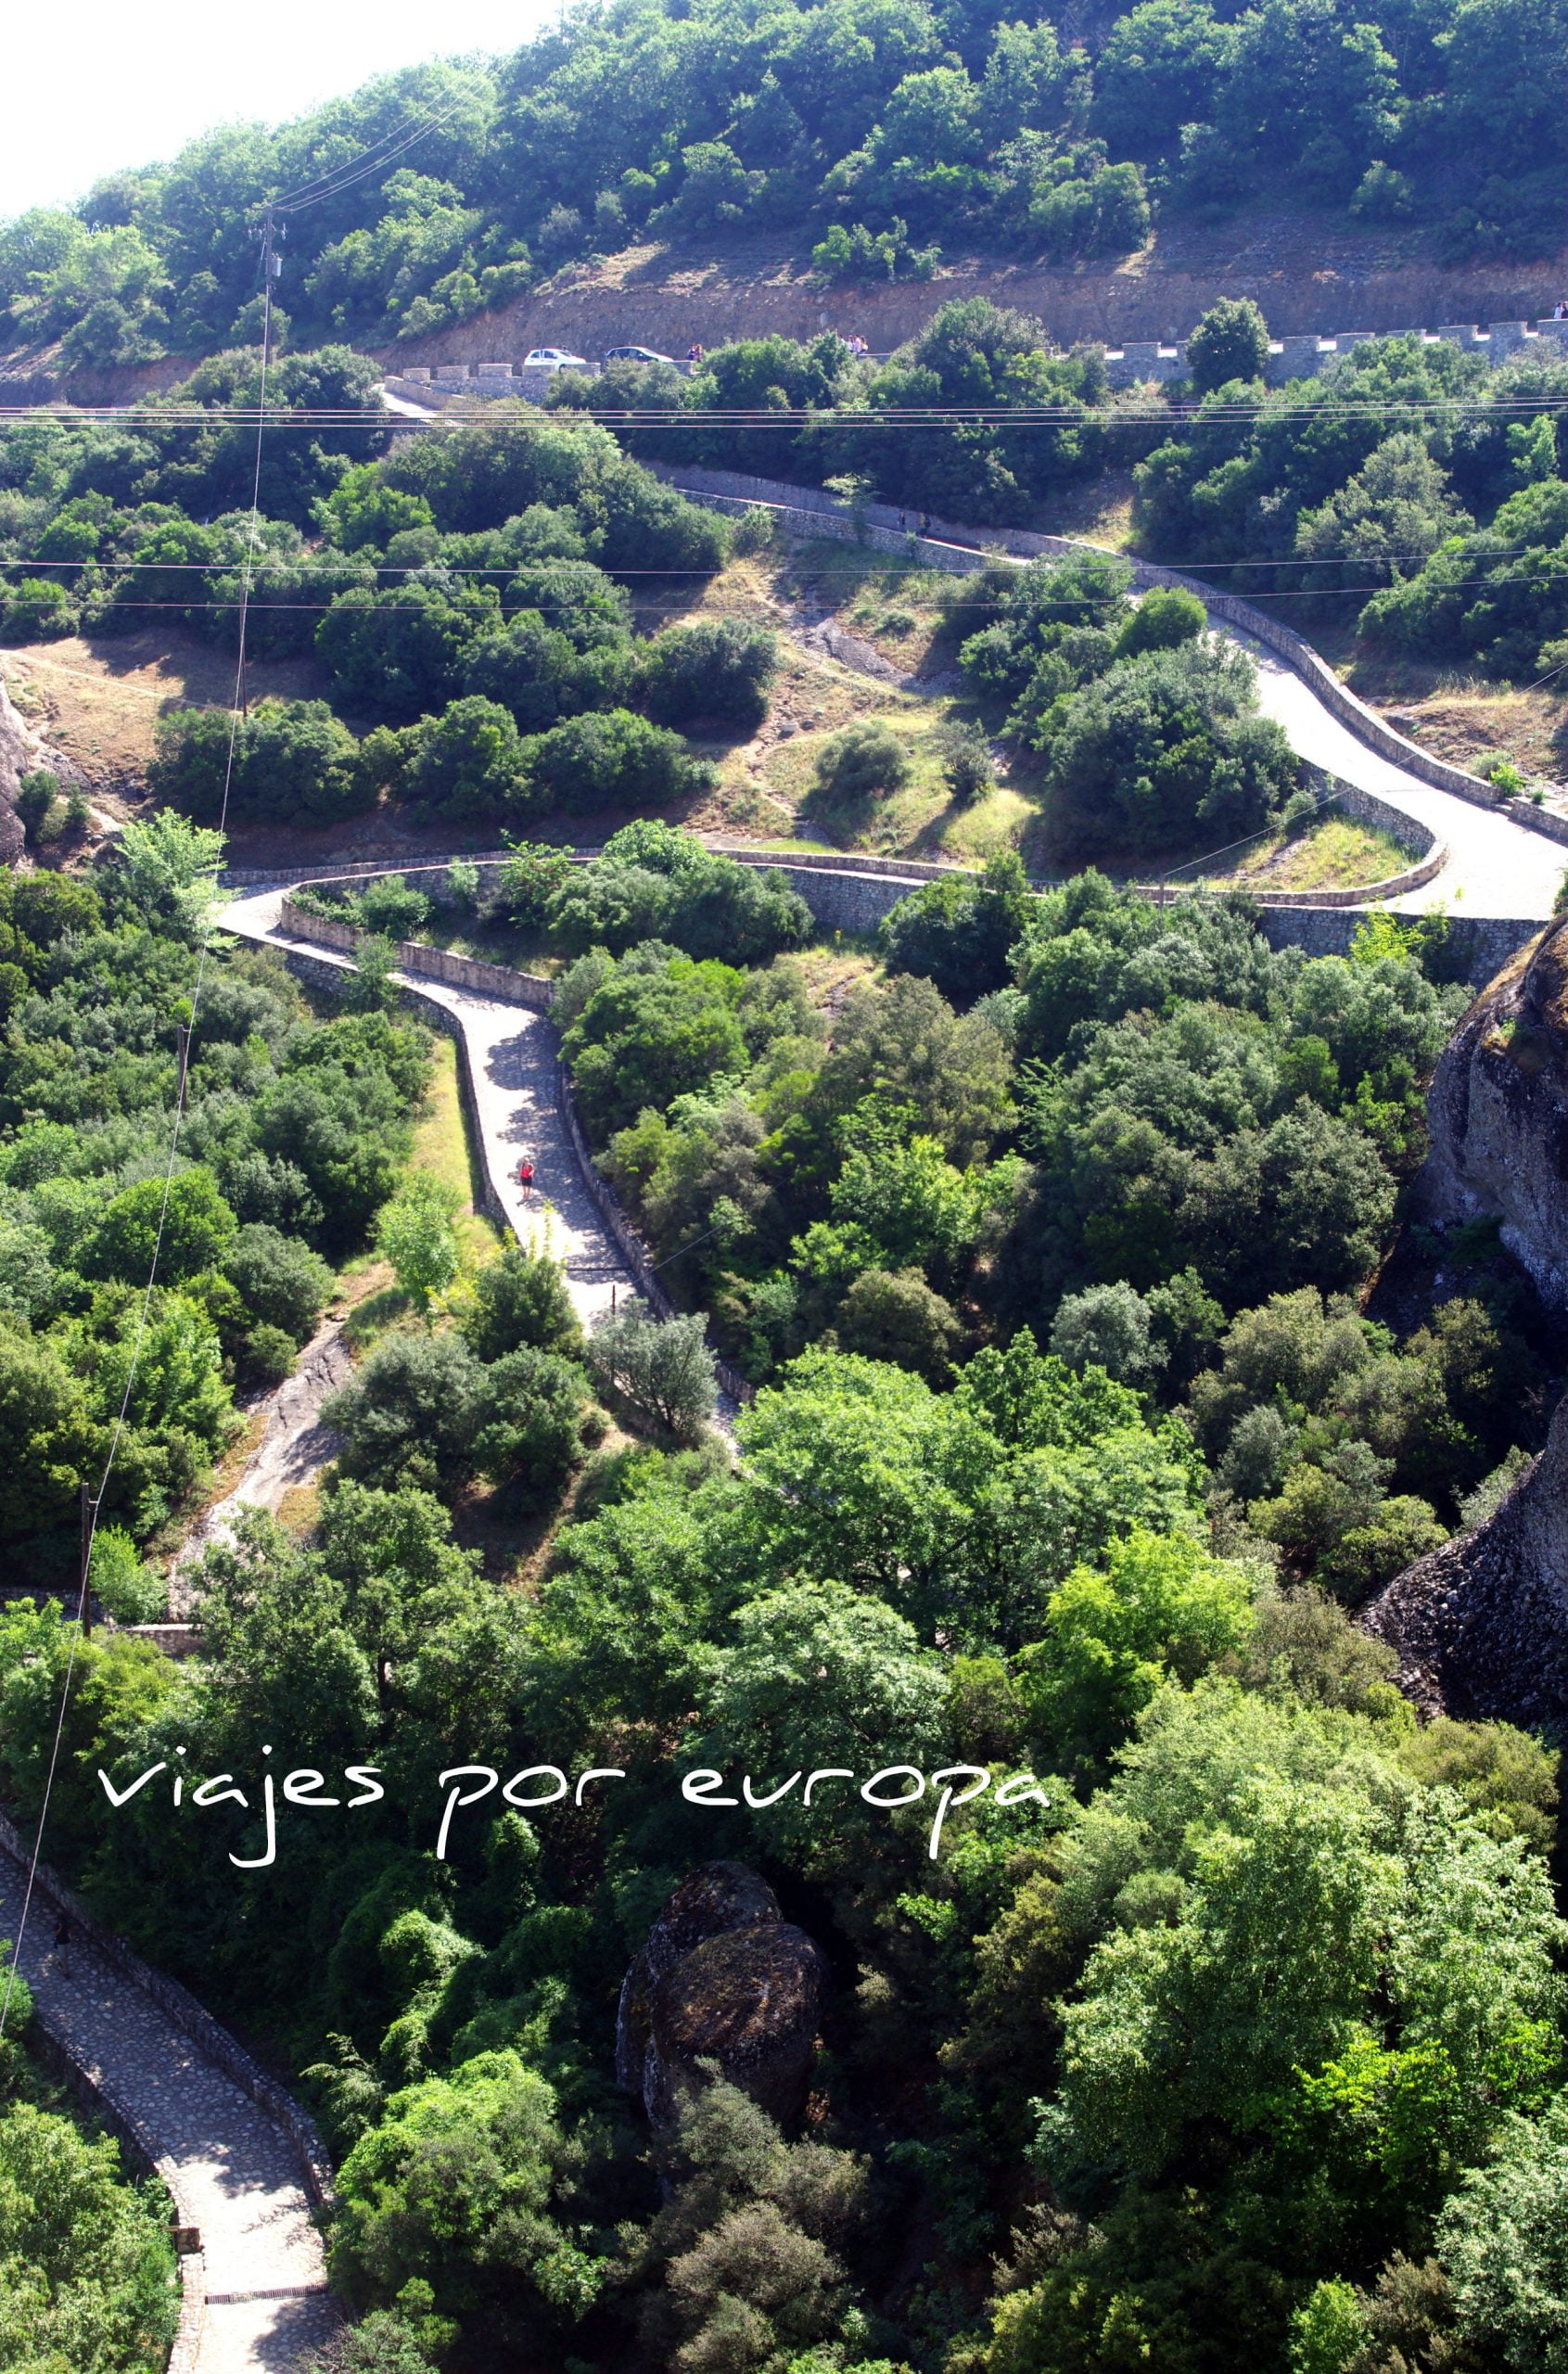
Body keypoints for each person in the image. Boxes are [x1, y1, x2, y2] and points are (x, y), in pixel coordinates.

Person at [53, 1912, 72, 1977]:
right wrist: (60, 1927)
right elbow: (56, 1934)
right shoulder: (57, 1925)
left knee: (66, 1955)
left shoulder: (67, 1924)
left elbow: (70, 1932)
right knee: (63, 1957)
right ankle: (65, 1972)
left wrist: (71, 1938)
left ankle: (61, 1962)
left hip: (67, 1942)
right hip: (60, 1943)